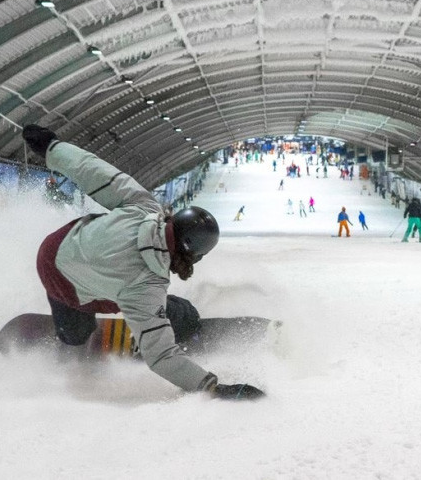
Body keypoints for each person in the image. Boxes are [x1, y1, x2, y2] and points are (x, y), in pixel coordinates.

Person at [22, 125, 262, 400]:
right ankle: (161, 322)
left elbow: (95, 172)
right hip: (66, 285)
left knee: (82, 325)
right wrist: (212, 388)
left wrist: (52, 148)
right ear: (192, 254)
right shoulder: (147, 287)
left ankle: (73, 331)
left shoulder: (145, 206)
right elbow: (160, 357)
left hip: (56, 245)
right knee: (177, 314)